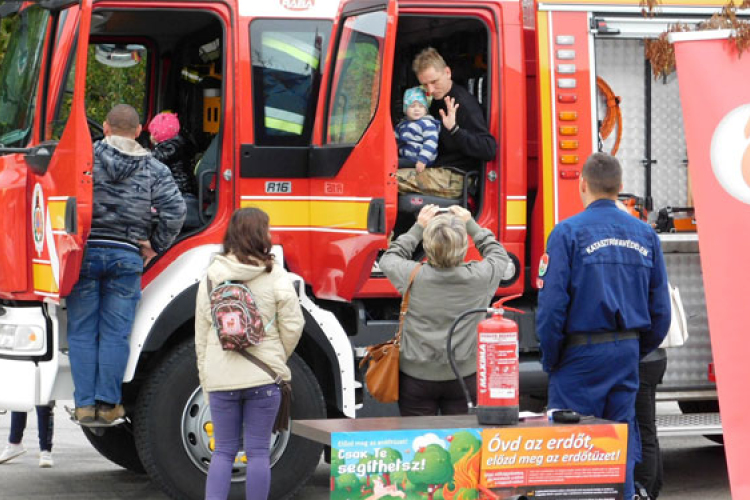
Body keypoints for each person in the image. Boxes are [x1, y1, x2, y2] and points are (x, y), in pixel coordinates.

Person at [536, 152, 671, 499]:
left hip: (578, 357)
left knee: (571, 450)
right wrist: (631, 348)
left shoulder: (566, 233)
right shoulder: (646, 235)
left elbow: (551, 309)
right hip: (625, 353)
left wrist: (552, 359)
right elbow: (661, 311)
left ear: (582, 183)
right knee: (620, 446)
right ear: (621, 187)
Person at [66, 104, 186, 425]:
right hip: (127, 256)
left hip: (86, 255)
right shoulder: (153, 167)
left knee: (81, 332)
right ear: (138, 132)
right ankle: (108, 406)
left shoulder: (84, 160)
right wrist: (155, 245)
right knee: (115, 334)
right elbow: (175, 210)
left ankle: (83, 405)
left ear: (104, 128)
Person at [195, 207, 304, 500]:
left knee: (223, 452)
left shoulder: (211, 276)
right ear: (261, 235)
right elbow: (294, 325)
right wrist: (277, 356)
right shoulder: (276, 275)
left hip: (221, 379)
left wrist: (207, 380)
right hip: (264, 379)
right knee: (257, 453)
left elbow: (202, 335)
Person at [380, 205, 510, 416]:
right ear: (464, 246)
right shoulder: (479, 278)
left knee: (419, 442)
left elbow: (389, 258)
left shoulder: (412, 275)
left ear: (427, 245)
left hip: (416, 378)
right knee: (462, 444)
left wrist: (418, 227)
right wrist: (471, 224)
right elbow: (499, 255)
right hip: (464, 376)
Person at [397, 47, 496, 199]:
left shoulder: (463, 104)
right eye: (425, 85)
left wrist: (455, 129)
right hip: (436, 167)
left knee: (390, 180)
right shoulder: (434, 100)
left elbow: (488, 148)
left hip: (457, 176)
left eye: (434, 82)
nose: (430, 89)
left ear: (447, 73)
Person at [148, 111, 201, 229]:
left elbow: (150, 162)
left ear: (157, 135)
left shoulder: (168, 149)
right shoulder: (179, 144)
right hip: (184, 189)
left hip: (178, 190)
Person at [395, 86, 440, 171]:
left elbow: (431, 142)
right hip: (407, 156)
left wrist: (422, 160)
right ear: (405, 109)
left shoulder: (427, 124)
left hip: (421, 159)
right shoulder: (402, 125)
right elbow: (395, 141)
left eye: (421, 106)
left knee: (393, 164)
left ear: (426, 110)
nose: (417, 109)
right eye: (412, 106)